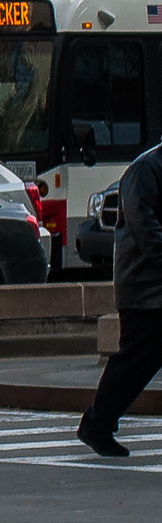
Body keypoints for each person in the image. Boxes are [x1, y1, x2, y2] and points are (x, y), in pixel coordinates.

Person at [83, 140, 162, 455]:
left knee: (137, 360)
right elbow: (143, 225)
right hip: (145, 287)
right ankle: (96, 423)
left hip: (152, 287)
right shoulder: (145, 169)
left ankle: (97, 423)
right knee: (135, 361)